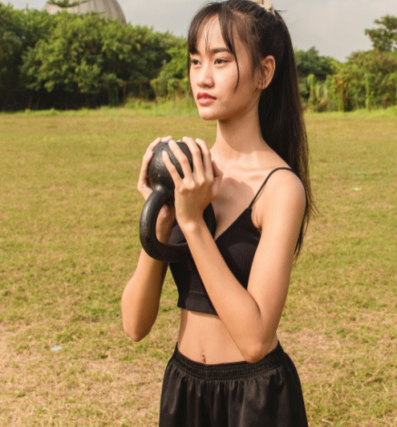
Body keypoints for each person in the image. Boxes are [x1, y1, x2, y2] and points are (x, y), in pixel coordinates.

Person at [120, 0, 312, 425]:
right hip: (184, 390)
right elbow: (134, 325)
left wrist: (192, 223)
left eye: (221, 60)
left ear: (264, 72)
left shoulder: (281, 188)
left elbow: (256, 339)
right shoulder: (187, 173)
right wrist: (160, 218)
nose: (202, 77)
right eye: (195, 61)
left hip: (255, 400)